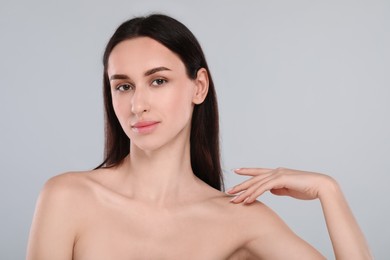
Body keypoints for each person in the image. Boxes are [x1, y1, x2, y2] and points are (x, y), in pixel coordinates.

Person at [26, 14, 372, 260]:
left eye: (158, 81)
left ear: (199, 86)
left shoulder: (240, 221)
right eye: (123, 86)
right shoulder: (67, 198)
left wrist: (330, 191)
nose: (137, 104)